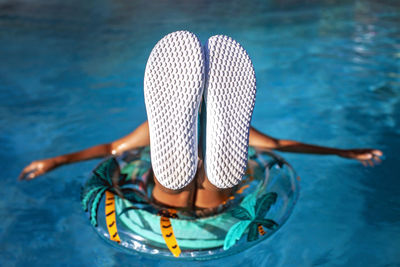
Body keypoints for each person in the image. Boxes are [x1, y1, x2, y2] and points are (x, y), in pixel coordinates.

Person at [19, 31, 383, 211]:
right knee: (222, 187)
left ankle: (172, 181)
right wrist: (344, 152)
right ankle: (210, 172)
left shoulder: (149, 130)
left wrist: (57, 160)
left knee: (165, 190)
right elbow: (279, 146)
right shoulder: (248, 135)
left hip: (164, 215)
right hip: (218, 212)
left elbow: (110, 148)